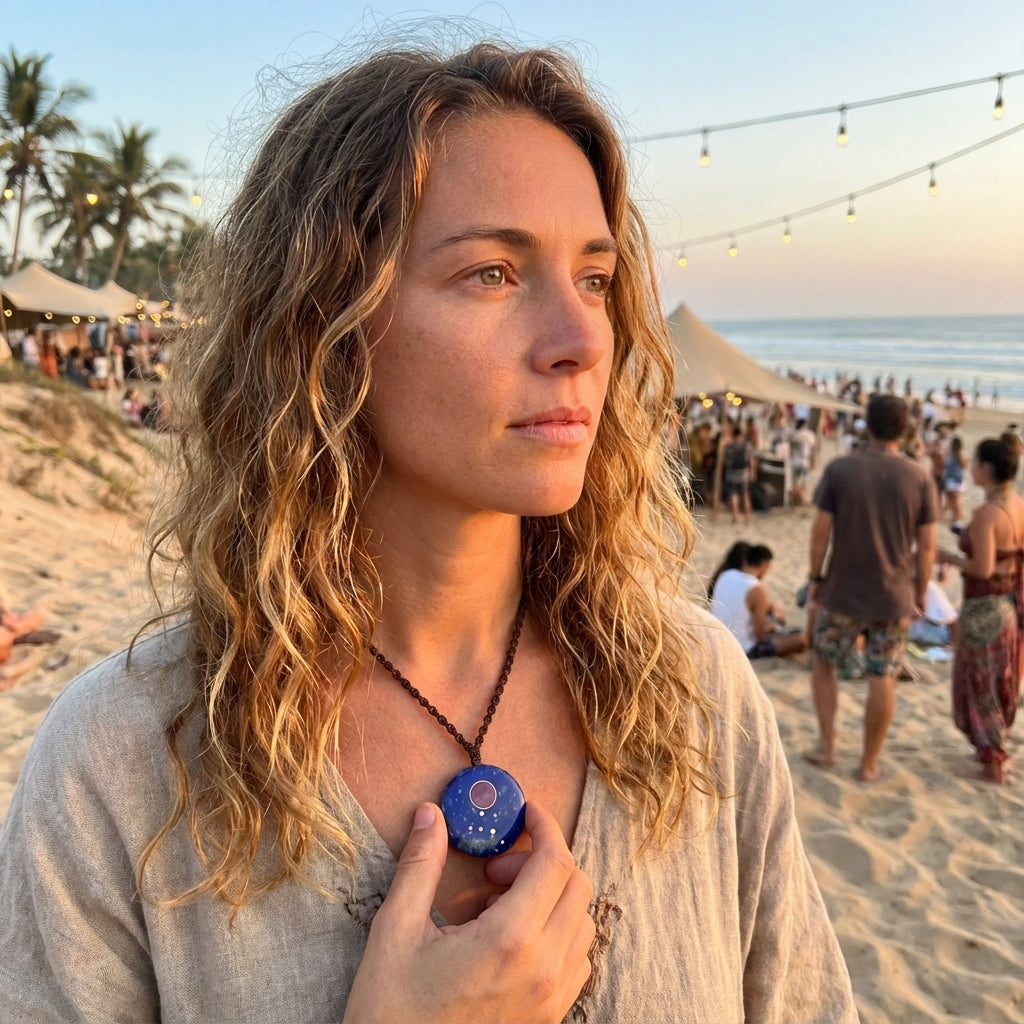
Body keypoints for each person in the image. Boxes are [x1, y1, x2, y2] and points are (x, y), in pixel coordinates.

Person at [0, 39, 856, 1022]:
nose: (582, 341)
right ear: (320, 326)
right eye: (493, 273)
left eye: (593, 277)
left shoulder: (696, 697)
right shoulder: (123, 765)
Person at [806, 393, 937, 782]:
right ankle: (868, 762)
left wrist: (815, 577)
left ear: (867, 424)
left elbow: (820, 532)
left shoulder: (841, 469)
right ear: (905, 430)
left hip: (843, 589)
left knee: (824, 662)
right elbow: (927, 546)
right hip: (893, 594)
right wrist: (922, 589)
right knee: (883, 674)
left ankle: (828, 747)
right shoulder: (918, 477)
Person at [936, 437, 1024, 784]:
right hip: (1008, 606)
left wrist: (948, 558)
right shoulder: (1017, 503)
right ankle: (991, 752)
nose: (970, 468)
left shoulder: (989, 513)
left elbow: (983, 568)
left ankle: (993, 763)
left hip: (985, 607)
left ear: (986, 469)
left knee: (982, 682)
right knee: (998, 678)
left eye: (974, 463)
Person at [710, 543, 808, 658]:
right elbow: (759, 634)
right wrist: (775, 622)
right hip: (742, 649)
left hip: (716, 641)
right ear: (765, 565)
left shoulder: (726, 574)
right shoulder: (756, 588)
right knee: (802, 640)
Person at [721, 420, 753, 524]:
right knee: (745, 495)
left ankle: (735, 518)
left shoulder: (730, 445)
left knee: (734, 495)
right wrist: (752, 472)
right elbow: (750, 459)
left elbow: (724, 459)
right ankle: (748, 518)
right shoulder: (746, 444)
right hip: (744, 473)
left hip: (732, 473)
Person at [940, 434, 968, 525]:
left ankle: (957, 517)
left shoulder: (958, 455)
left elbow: (964, 465)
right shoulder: (950, 454)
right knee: (951, 499)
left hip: (955, 480)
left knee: (955, 500)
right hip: (950, 479)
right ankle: (955, 516)